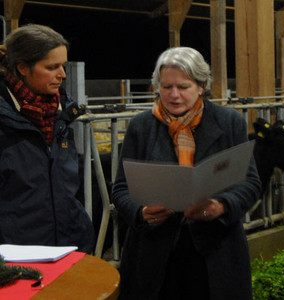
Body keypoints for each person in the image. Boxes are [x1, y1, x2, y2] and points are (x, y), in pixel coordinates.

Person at [112, 47, 261, 300]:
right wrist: (141, 213)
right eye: (166, 86)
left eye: (183, 87)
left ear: (201, 86)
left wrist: (221, 205)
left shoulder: (229, 122)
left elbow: (250, 182)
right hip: (154, 251)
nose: (173, 95)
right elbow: (121, 189)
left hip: (216, 250)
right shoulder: (141, 126)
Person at [0, 24, 95, 253]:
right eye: (52, 67)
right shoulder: (6, 117)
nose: (62, 74)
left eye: (62, 65)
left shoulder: (61, 112)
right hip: (18, 254)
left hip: (69, 244)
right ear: (23, 67)